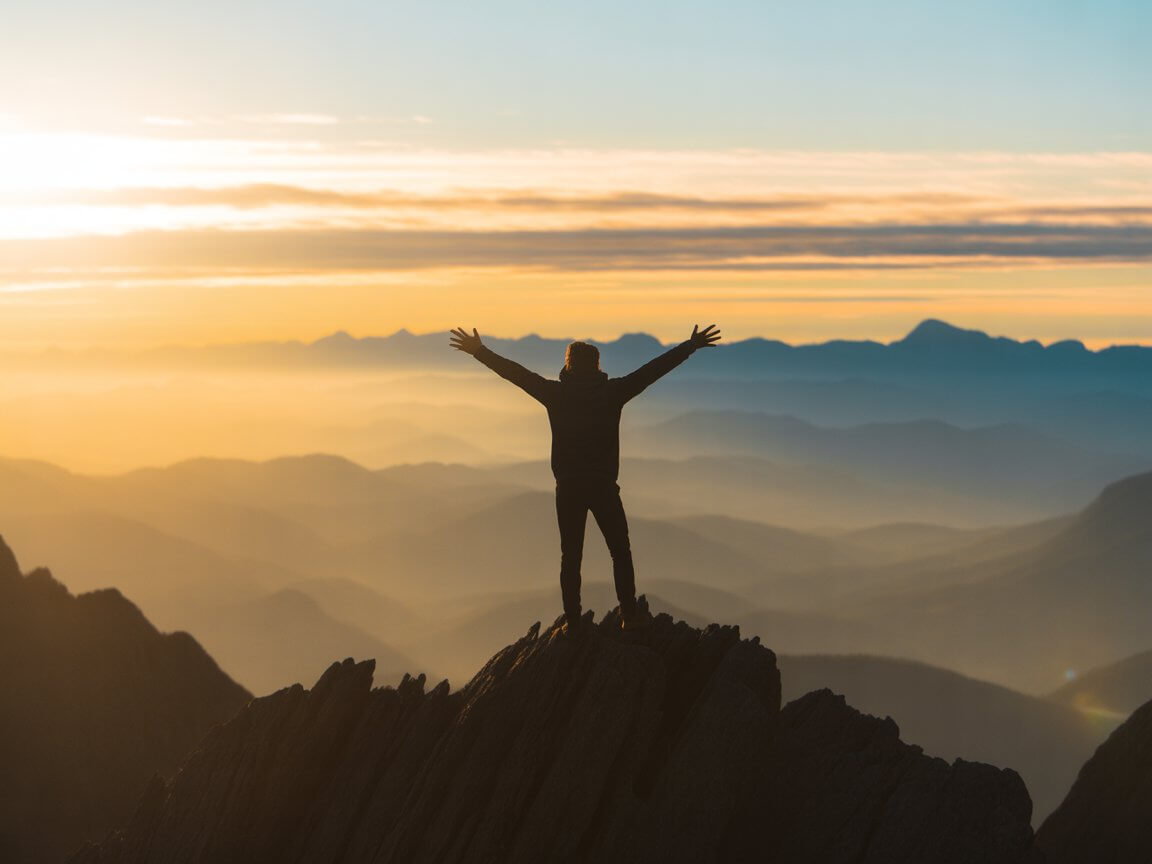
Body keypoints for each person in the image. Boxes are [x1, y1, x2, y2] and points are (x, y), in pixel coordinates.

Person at [449, 323, 722, 633]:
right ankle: (629, 616)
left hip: (568, 488)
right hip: (604, 486)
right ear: (597, 365)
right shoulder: (613, 392)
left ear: (568, 364)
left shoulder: (554, 393)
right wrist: (690, 347)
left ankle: (574, 623)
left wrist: (479, 352)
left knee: (571, 556)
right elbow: (651, 371)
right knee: (620, 551)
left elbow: (516, 374)